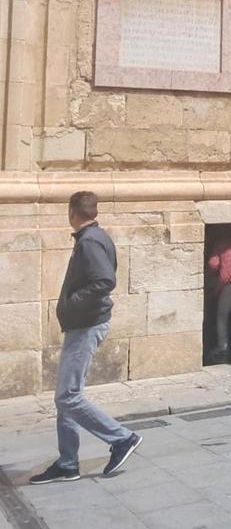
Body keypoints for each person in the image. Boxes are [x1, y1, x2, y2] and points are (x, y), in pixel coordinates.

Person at [31, 192, 141, 484]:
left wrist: (73, 302)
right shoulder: (95, 236)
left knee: (67, 396)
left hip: (86, 325)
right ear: (94, 211)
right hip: (84, 324)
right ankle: (68, 463)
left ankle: (121, 438)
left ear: (71, 213)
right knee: (67, 397)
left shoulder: (90, 241)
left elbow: (105, 280)